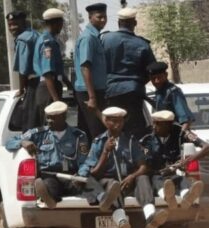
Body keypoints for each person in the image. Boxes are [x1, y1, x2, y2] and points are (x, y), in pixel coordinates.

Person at [78, 107, 169, 228]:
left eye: (120, 121)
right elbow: (94, 173)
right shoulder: (98, 142)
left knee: (142, 178)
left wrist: (132, 176)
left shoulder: (131, 141)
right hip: (109, 182)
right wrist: (105, 152)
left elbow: (143, 166)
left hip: (127, 181)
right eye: (114, 121)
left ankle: (150, 216)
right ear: (106, 121)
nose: (118, 124)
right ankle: (121, 221)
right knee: (112, 184)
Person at [6, 101, 91, 209]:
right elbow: (9, 143)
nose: (48, 121)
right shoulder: (37, 134)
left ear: (63, 116)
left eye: (52, 118)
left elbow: (85, 160)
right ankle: (48, 199)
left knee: (90, 185)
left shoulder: (78, 135)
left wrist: (81, 175)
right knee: (49, 187)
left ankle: (103, 201)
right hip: (50, 175)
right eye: (48, 118)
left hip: (71, 176)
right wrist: (22, 142)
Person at [140, 110, 209, 210]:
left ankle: (187, 197)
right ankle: (169, 198)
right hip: (156, 174)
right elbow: (144, 164)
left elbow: (208, 147)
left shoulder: (180, 132)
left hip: (174, 172)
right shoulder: (147, 138)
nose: (154, 126)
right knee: (157, 179)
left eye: (157, 124)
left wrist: (186, 161)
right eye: (153, 123)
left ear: (168, 125)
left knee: (181, 179)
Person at [101, 7, 156, 139]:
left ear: (118, 22)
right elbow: (152, 70)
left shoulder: (105, 39)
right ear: (134, 23)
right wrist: (137, 82)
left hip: (111, 91)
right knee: (135, 131)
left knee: (113, 129)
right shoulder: (142, 44)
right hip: (134, 92)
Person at [74, 3, 108, 142]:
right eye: (99, 17)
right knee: (98, 135)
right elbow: (85, 67)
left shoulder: (96, 37)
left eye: (104, 17)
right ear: (90, 17)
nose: (103, 20)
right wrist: (92, 97)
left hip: (94, 91)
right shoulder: (88, 38)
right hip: (89, 93)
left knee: (90, 134)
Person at [6, 11, 39, 131]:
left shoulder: (23, 39)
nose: (12, 28)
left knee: (29, 126)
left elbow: (23, 69)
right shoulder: (34, 34)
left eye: (15, 24)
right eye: (9, 25)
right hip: (45, 82)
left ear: (23, 23)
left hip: (34, 84)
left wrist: (21, 90)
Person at [33, 8, 66, 126]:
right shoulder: (48, 43)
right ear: (55, 23)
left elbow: (59, 69)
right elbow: (47, 73)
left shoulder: (51, 40)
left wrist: (69, 84)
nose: (61, 26)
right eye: (60, 23)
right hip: (48, 88)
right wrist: (56, 99)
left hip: (51, 86)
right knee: (50, 125)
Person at [147, 61, 195, 131]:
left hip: (173, 134)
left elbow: (185, 120)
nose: (156, 81)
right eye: (153, 78)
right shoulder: (159, 92)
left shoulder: (173, 92)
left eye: (159, 77)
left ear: (166, 75)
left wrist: (181, 135)